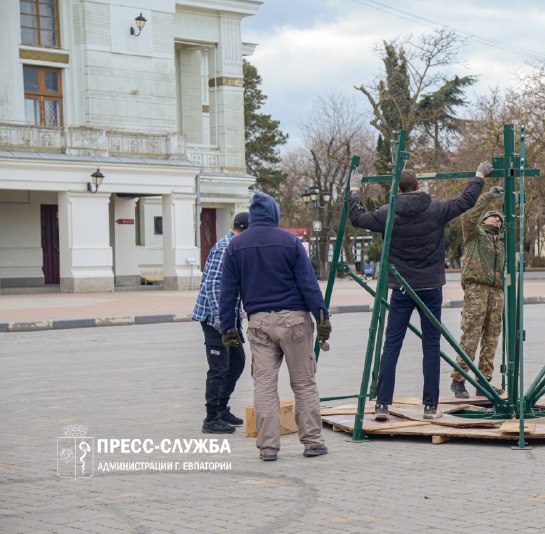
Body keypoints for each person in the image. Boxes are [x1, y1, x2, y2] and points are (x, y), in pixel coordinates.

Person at [348, 162, 490, 420]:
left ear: (398, 190)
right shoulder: (436, 209)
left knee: (391, 346)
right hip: (430, 287)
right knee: (431, 347)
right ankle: (430, 407)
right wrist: (478, 174)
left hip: (401, 287)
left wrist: (354, 188)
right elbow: (466, 201)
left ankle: (382, 404)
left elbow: (356, 217)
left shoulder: (388, 212)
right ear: (419, 186)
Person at [219, 192, 331, 462]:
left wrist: (228, 326)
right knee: (304, 383)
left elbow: (228, 291)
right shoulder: (290, 241)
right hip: (294, 321)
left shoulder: (236, 245)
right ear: (274, 214)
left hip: (258, 323)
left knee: (264, 386)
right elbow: (308, 284)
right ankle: (313, 442)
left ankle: (268, 447)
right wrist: (322, 317)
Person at [192, 212, 249, 434]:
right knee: (219, 368)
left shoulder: (236, 246)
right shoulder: (225, 248)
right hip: (215, 319)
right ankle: (211, 418)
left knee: (237, 362)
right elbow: (214, 287)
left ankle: (222, 407)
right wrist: (221, 321)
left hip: (229, 318)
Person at [450, 188, 506, 399]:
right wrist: (489, 197)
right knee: (471, 335)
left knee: (491, 338)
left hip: (496, 291)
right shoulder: (474, 234)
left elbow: (520, 228)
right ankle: (458, 380)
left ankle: (485, 383)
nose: (497, 220)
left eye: (499, 219)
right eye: (493, 217)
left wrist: (516, 205)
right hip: (477, 289)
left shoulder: (501, 241)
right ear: (483, 220)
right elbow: (469, 215)